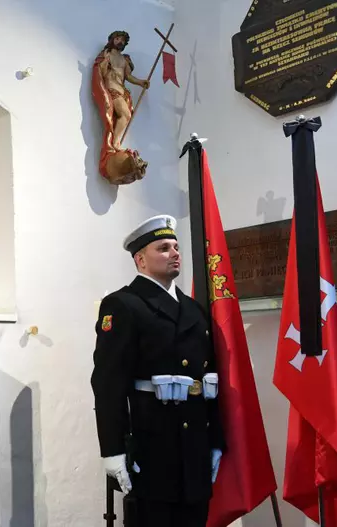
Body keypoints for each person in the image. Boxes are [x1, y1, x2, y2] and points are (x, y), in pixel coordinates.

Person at [90, 215, 225, 527]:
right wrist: (112, 449)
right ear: (140, 260)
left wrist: (216, 439)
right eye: (163, 248)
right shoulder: (124, 305)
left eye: (176, 247)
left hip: (195, 450)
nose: (174, 253)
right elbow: (108, 384)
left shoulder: (194, 309)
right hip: (153, 449)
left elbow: (209, 382)